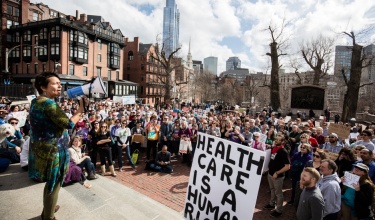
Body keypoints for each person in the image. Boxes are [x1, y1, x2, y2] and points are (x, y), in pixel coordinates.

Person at [28, 72, 85, 220]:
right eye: (55, 83)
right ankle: (48, 216)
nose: (59, 86)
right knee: (55, 182)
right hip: (54, 151)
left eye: (59, 83)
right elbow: (68, 124)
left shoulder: (36, 101)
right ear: (43, 87)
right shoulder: (48, 103)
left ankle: (49, 207)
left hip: (44, 149)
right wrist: (80, 110)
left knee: (52, 182)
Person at [263, 135, 290, 218]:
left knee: (278, 193)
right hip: (270, 173)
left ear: (283, 142)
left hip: (277, 176)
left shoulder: (283, 151)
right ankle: (272, 204)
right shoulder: (274, 149)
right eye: (276, 139)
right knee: (272, 189)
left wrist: (277, 173)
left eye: (278, 140)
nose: (276, 141)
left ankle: (279, 210)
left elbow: (287, 166)